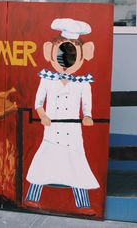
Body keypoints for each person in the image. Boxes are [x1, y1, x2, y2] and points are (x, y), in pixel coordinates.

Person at [25, 18, 99, 216]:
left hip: (73, 131)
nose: (66, 59)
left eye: (72, 54)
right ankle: (32, 198)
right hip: (52, 130)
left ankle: (82, 203)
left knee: (77, 164)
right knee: (43, 162)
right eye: (63, 53)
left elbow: (87, 105)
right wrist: (42, 115)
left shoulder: (83, 83)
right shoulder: (47, 79)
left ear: (83, 55)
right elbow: (38, 103)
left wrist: (88, 116)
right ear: (52, 52)